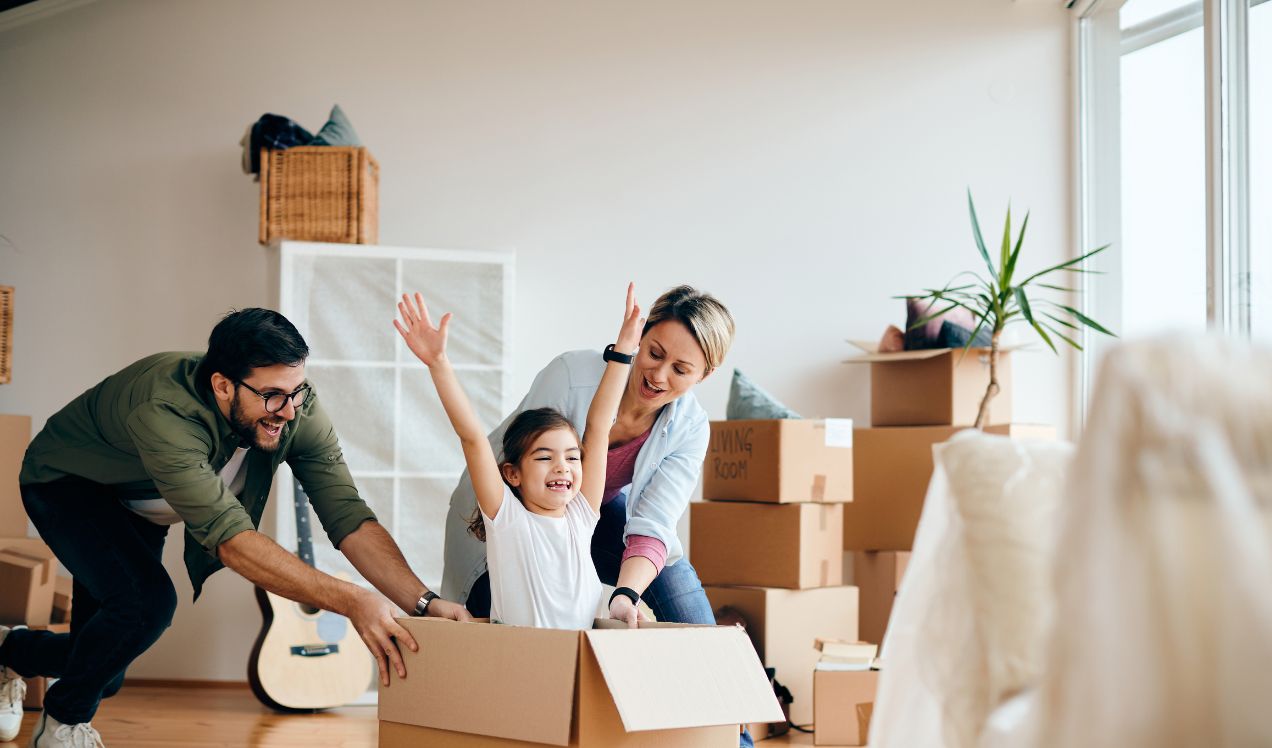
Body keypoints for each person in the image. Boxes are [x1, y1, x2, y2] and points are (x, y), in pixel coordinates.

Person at [0, 308, 469, 748]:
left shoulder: (295, 409)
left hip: (142, 504)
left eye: (297, 390)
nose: (288, 411)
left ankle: (9, 649)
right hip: (69, 484)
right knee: (146, 605)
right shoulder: (164, 410)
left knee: (107, 661)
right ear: (223, 386)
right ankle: (63, 723)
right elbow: (231, 541)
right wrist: (353, 601)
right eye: (272, 395)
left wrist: (423, 602)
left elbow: (346, 513)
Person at [440, 285, 735, 627]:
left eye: (681, 370)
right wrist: (438, 363)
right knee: (498, 620)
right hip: (512, 507)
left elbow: (653, 522)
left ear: (705, 374)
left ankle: (718, 674)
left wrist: (626, 594)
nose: (658, 375)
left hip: (586, 512)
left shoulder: (690, 427)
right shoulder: (571, 376)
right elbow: (490, 449)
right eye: (654, 353)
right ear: (640, 338)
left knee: (680, 589)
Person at [395, 285, 642, 628]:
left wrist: (624, 351)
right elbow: (473, 439)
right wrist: (438, 363)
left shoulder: (582, 517)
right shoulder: (508, 519)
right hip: (522, 663)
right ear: (512, 474)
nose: (562, 467)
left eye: (572, 458)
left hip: (577, 662)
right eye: (544, 458)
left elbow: (599, 427)